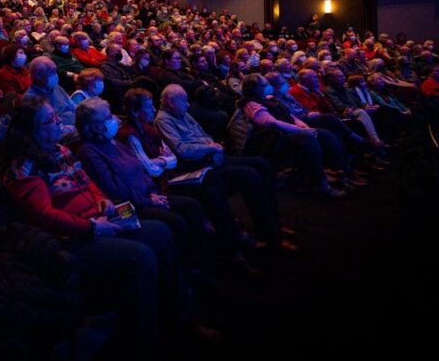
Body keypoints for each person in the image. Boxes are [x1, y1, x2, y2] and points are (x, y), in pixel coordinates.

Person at [1, 95, 210, 361]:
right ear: (31, 130)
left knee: (160, 231)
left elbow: (88, 184)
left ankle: (179, 317)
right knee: (141, 256)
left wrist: (104, 200)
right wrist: (90, 227)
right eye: (50, 120)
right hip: (71, 239)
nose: (57, 123)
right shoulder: (23, 166)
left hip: (99, 218)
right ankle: (141, 351)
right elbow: (43, 216)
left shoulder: (61, 152)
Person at [75, 97, 211, 271]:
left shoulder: (114, 142)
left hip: (148, 196)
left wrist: (152, 193)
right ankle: (188, 271)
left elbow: (141, 169)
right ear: (94, 126)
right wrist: (148, 200)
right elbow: (113, 189)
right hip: (127, 206)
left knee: (191, 206)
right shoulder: (89, 151)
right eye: (108, 117)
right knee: (174, 222)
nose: (114, 119)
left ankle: (203, 262)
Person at [153, 85, 292, 251]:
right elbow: (183, 150)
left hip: (213, 156)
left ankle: (274, 220)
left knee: (261, 164)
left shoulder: (182, 113)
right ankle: (268, 232)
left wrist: (211, 145)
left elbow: (203, 135)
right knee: (249, 174)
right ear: (170, 102)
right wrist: (210, 147)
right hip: (200, 165)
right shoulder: (163, 120)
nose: (188, 104)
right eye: (183, 101)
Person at [237, 74, 345, 198]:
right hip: (274, 139)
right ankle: (321, 184)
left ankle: (340, 172)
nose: (268, 86)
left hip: (289, 131)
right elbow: (271, 123)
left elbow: (289, 115)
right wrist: (299, 130)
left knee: (324, 134)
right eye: (265, 84)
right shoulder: (250, 104)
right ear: (255, 88)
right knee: (307, 139)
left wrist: (303, 125)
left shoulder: (268, 98)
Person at [24, 56, 77, 131]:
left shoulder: (56, 87)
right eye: (51, 72)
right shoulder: (30, 99)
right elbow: (46, 129)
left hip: (76, 124)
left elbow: (73, 106)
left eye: (55, 71)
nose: (55, 75)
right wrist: (75, 129)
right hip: (62, 134)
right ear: (38, 76)